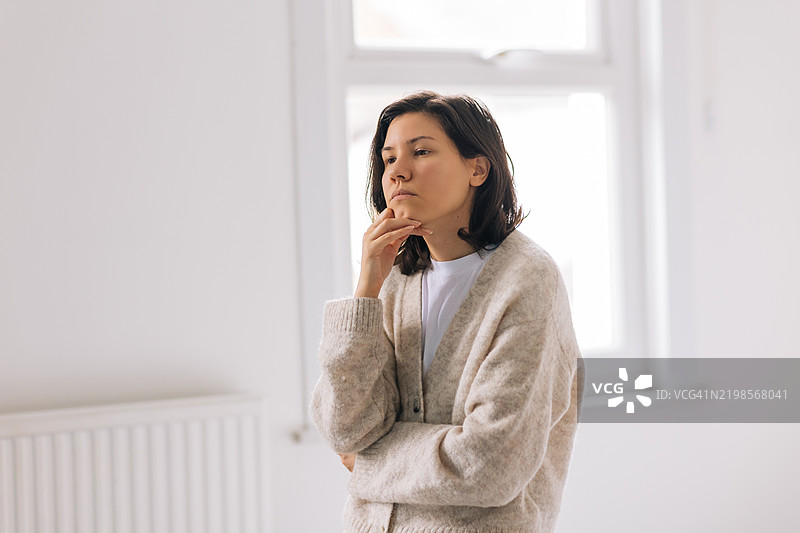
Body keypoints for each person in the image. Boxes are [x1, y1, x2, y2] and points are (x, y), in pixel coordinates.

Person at [310, 91, 583, 532]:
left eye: (421, 151)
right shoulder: (397, 279)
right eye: (388, 158)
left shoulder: (528, 279)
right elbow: (346, 431)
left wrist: (369, 464)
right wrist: (366, 292)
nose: (397, 170)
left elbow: (490, 465)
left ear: (477, 168)